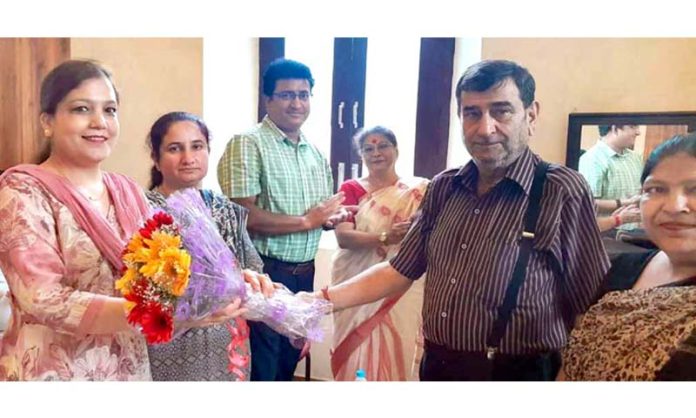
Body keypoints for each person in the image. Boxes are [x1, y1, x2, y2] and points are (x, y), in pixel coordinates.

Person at [308, 60, 610, 381]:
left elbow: (590, 308)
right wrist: (317, 301)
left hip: (516, 373)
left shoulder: (560, 189)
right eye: (472, 113)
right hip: (439, 365)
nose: (485, 128)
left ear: (531, 115)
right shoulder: (443, 187)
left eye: (502, 111)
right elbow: (399, 271)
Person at [0, 60, 154, 380]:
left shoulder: (130, 193)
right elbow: (42, 298)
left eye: (110, 110)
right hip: (54, 372)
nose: (99, 122)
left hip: (128, 370)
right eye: (82, 109)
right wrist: (152, 313)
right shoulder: (22, 189)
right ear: (48, 122)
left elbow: (165, 276)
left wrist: (227, 288)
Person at [217, 58, 347, 381]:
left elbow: (317, 214)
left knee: (288, 362)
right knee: (262, 367)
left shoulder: (314, 153)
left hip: (304, 274)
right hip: (263, 273)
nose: (297, 103)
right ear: (268, 99)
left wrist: (331, 218)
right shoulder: (248, 143)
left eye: (304, 95)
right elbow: (240, 216)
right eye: (287, 94)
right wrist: (306, 221)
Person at [145, 111, 274, 381]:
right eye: (174, 149)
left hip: (226, 344)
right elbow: (140, 289)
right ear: (156, 159)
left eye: (197, 146)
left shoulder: (224, 209)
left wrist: (254, 281)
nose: (188, 158)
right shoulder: (142, 211)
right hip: (169, 345)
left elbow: (251, 267)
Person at [561, 133, 696, 380]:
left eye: (694, 189)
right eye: (656, 189)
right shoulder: (620, 268)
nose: (675, 206)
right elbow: (572, 363)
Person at [330, 126, 429, 381]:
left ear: (396, 150)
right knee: (356, 347)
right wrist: (387, 236)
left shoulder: (417, 191)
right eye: (368, 148)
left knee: (398, 339)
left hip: (399, 282)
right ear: (361, 155)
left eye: (383, 145)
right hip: (355, 277)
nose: (376, 153)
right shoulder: (351, 188)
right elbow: (343, 237)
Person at [579, 124, 644, 233]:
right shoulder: (592, 159)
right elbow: (587, 204)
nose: (638, 132)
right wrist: (625, 203)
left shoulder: (636, 158)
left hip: (634, 234)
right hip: (604, 235)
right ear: (615, 128)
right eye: (633, 127)